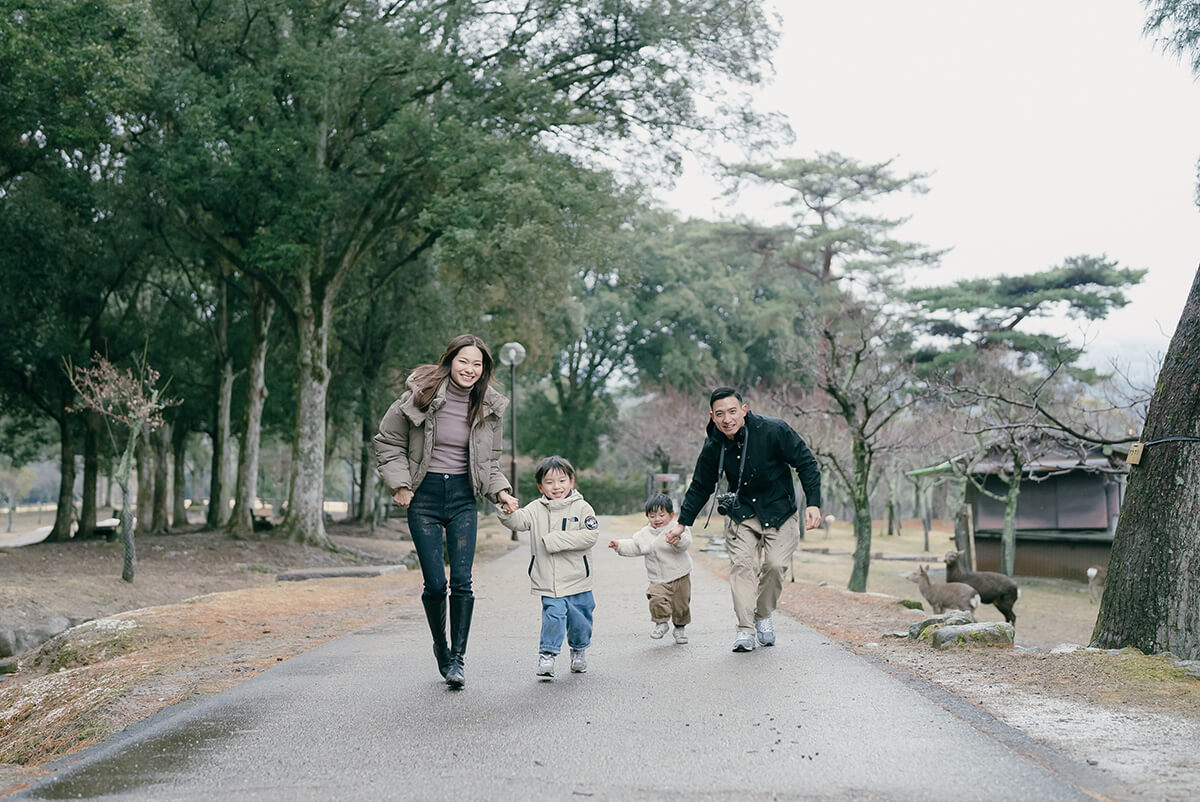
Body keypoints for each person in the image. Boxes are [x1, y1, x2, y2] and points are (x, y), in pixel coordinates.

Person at [374, 334, 519, 689]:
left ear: (484, 369)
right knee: (436, 584)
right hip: (422, 497)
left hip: (462, 497)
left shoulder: (489, 407)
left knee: (463, 582)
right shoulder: (418, 396)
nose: (470, 369)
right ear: (450, 360)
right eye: (463, 361)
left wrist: (501, 491)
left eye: (477, 364)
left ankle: (458, 659)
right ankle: (441, 646)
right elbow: (388, 441)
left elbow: (490, 460)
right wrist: (401, 485)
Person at [666, 387, 822, 653]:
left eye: (732, 412)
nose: (727, 419)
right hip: (743, 514)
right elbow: (702, 484)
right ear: (712, 416)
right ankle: (745, 629)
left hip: (779, 510)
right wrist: (683, 522)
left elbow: (806, 463)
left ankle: (762, 615)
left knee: (774, 566)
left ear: (744, 410)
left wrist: (814, 503)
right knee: (741, 565)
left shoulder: (774, 430)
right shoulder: (714, 443)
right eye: (720, 414)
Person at [497, 455, 599, 679]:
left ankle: (579, 650)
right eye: (550, 482)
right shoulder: (535, 508)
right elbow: (519, 521)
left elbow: (591, 535)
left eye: (562, 481)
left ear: (571, 482)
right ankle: (547, 655)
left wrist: (554, 541)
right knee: (553, 617)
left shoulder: (582, 508)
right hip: (548, 580)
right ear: (540, 486)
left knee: (581, 619)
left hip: (578, 579)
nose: (557, 487)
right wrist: (506, 512)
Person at [608, 494, 693, 645]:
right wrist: (619, 545)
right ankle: (661, 622)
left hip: (680, 575)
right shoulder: (644, 534)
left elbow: (686, 543)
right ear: (647, 516)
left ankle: (680, 627)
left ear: (671, 515)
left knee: (681, 605)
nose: (657, 519)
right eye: (652, 516)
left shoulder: (677, 528)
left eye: (662, 515)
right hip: (658, 578)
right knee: (655, 598)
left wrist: (678, 540)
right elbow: (634, 546)